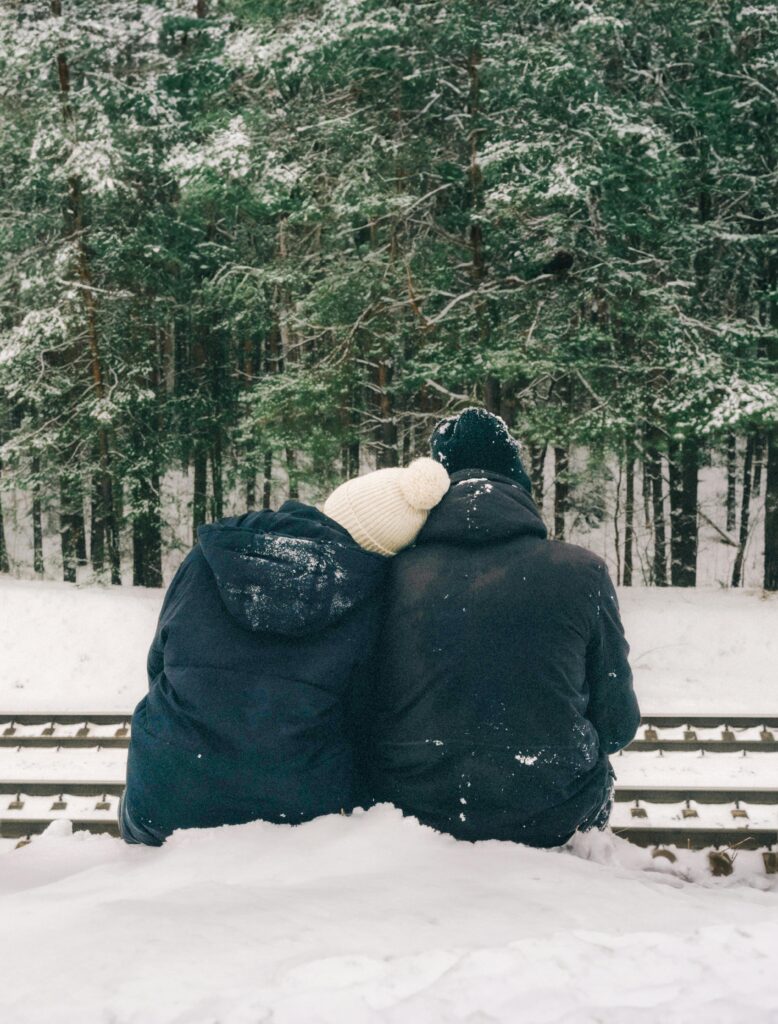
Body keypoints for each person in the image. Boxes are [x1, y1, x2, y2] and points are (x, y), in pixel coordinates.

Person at [120, 458, 449, 845]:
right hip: (295, 809)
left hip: (164, 796)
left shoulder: (209, 556)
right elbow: (361, 717)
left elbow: (159, 661)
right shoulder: (368, 598)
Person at [362, 407, 640, 848]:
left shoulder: (388, 575)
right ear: (519, 480)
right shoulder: (582, 572)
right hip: (553, 812)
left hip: (411, 812)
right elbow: (618, 725)